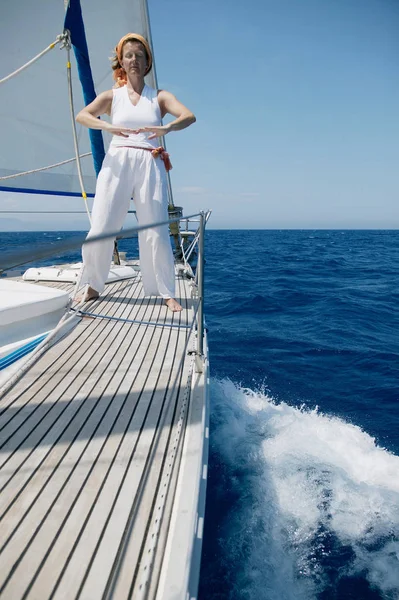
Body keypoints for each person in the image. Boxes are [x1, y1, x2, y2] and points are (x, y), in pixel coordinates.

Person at [76, 33, 196, 312]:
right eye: (128, 55)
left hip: (149, 162)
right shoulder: (112, 96)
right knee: (103, 224)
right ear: (121, 60)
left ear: (147, 63)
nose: (133, 60)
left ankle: (165, 291)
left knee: (154, 227)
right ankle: (93, 284)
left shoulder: (160, 97)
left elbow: (188, 116)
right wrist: (108, 127)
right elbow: (83, 116)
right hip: (117, 160)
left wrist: (165, 129)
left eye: (138, 56)